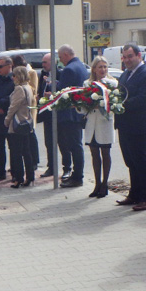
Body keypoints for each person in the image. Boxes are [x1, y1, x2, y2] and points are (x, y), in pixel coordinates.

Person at [115, 44, 146, 211]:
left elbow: (143, 100)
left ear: (139, 55)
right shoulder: (126, 74)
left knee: (141, 161)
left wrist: (120, 104)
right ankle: (134, 194)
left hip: (139, 126)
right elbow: (119, 93)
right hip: (125, 125)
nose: (127, 60)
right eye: (124, 57)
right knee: (130, 161)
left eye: (130, 56)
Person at [55, 45, 87, 188]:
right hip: (78, 112)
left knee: (74, 146)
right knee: (76, 145)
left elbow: (63, 92)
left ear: (66, 55)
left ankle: (77, 177)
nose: (60, 61)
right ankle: (76, 175)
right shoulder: (81, 66)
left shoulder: (69, 69)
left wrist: (53, 91)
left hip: (69, 114)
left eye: (61, 58)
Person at [84, 56, 116, 198]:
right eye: (100, 67)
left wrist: (104, 105)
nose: (103, 69)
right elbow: (82, 106)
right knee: (94, 154)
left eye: (105, 66)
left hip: (105, 122)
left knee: (105, 153)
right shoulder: (87, 84)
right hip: (92, 122)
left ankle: (105, 184)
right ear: (94, 69)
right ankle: (97, 184)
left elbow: (115, 104)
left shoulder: (112, 83)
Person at [5, 65, 36, 188]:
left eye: (14, 75)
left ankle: (18, 178)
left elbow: (13, 106)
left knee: (16, 152)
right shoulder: (28, 87)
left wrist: (7, 120)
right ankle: (30, 176)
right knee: (26, 151)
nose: (12, 78)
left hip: (18, 122)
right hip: (26, 121)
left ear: (19, 76)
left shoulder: (19, 89)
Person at [37, 52, 63, 179]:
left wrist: (52, 95)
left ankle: (66, 167)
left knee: (62, 142)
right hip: (46, 113)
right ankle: (51, 167)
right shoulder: (43, 74)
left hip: (58, 113)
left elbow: (63, 91)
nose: (43, 65)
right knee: (49, 141)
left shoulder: (61, 73)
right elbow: (40, 88)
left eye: (45, 62)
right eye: (42, 62)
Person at [12, 55, 40, 169]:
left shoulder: (31, 72)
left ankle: (34, 161)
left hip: (29, 106)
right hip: (20, 107)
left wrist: (22, 82)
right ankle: (23, 162)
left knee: (30, 132)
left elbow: (33, 89)